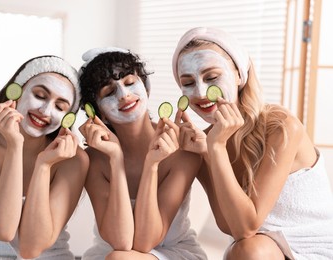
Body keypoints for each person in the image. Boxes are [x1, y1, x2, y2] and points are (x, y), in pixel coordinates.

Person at [171, 27, 333, 259]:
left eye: (212, 77)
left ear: (238, 74)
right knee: (245, 249)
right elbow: (231, 227)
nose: (201, 92)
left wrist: (215, 147)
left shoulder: (281, 126)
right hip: (259, 249)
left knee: (248, 249)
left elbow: (247, 228)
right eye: (188, 82)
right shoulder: (206, 140)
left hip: (314, 246)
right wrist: (209, 153)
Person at [0, 55, 89, 259]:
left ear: (67, 119)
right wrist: (15, 145)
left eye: (60, 107)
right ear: (16, 93)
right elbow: (3, 229)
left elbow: (30, 248)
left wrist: (43, 165)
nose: (45, 111)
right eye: (40, 95)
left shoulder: (73, 158)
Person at [78, 47, 207, 259]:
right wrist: (115, 159)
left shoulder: (182, 150)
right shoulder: (94, 159)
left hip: (172, 252)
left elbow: (146, 242)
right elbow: (120, 242)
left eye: (130, 83)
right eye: (109, 92)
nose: (124, 95)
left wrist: (152, 164)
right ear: (97, 112)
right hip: (112, 253)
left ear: (146, 88)